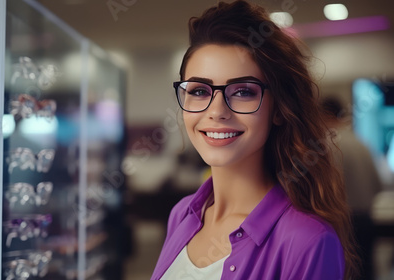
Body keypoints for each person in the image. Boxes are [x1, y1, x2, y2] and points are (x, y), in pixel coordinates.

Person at [151, 1, 359, 279]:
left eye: (243, 92)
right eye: (200, 91)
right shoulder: (182, 214)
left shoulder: (307, 240)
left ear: (277, 110)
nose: (216, 111)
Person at [322, 96, 383, 280]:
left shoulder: (326, 146)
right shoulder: (362, 144)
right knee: (366, 271)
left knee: (346, 272)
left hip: (343, 222)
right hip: (366, 219)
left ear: (325, 115)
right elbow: (377, 184)